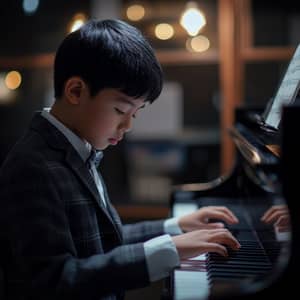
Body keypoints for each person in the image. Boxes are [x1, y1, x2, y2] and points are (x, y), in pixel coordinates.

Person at [0, 19, 240, 300]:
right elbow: (56, 279)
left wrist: (174, 227)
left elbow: (104, 240)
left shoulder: (76, 149)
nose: (128, 126)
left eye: (135, 113)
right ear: (76, 91)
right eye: (120, 110)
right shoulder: (32, 167)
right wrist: (170, 249)